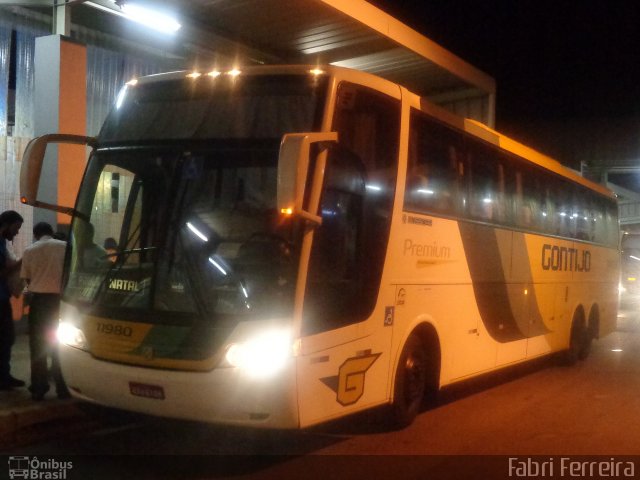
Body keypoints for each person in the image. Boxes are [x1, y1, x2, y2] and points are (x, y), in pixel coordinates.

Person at [20, 222, 70, 400]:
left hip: (39, 302)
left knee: (37, 346)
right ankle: (63, 388)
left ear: (35, 234)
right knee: (61, 346)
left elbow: (27, 278)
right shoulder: (65, 247)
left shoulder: (30, 250)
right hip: (61, 302)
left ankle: (39, 388)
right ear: (51, 232)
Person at [0, 210, 25, 390]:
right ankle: (3, 378)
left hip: (3, 296)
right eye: (16, 228)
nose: (16, 233)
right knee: (5, 338)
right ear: (7, 225)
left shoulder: (2, 242)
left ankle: (4, 375)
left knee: (6, 338)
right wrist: (22, 262)